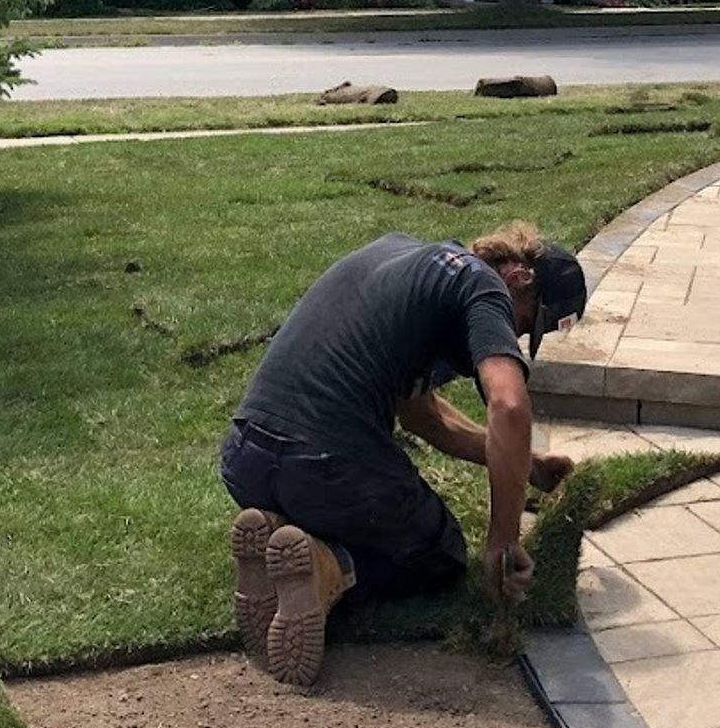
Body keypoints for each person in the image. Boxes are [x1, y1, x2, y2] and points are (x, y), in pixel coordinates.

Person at [220, 221, 588, 688]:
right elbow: (509, 405)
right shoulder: (484, 289)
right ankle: (328, 566)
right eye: (524, 323)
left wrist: (529, 464)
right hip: (322, 468)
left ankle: (275, 528)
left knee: (317, 487)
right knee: (440, 552)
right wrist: (502, 539)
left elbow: (426, 418)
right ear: (518, 275)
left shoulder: (402, 258)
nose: (512, 334)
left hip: (245, 460)